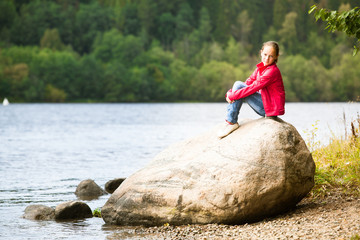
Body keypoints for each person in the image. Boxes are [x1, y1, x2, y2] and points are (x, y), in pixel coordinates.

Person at [218, 41, 285, 138]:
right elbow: (247, 83)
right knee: (238, 84)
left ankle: (231, 122)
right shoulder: (260, 68)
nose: (266, 58)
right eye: (265, 54)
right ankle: (230, 120)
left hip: (269, 109)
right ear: (261, 52)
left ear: (276, 57)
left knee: (239, 86)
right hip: (265, 104)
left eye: (271, 56)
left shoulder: (272, 71)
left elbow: (253, 88)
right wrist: (230, 93)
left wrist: (231, 95)